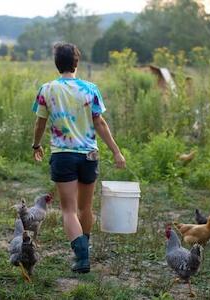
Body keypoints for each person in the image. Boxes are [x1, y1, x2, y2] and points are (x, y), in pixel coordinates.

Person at [31, 42, 126, 273]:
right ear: (76, 63)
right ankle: (85, 249)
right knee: (85, 209)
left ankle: (82, 257)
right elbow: (100, 123)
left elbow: (40, 122)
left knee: (68, 211)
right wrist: (116, 151)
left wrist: (36, 145)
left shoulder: (47, 89)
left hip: (63, 156)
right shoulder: (90, 89)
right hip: (90, 155)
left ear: (57, 63)